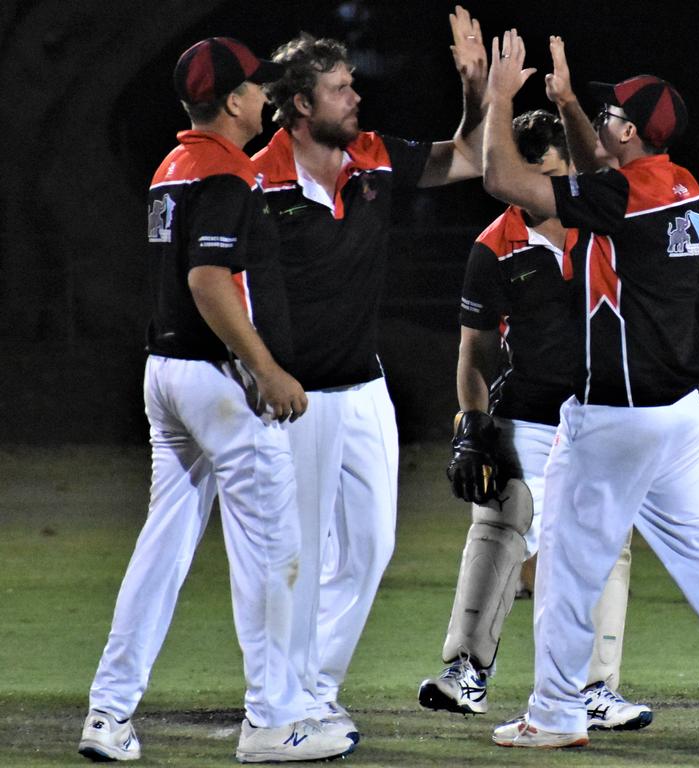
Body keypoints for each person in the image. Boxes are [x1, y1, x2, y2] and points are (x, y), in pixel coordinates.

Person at [481, 31, 699, 750]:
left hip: (617, 417)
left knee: (569, 568)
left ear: (630, 131)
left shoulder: (623, 196)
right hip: (678, 415)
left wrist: (500, 98)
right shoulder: (682, 183)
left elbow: (504, 184)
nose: (600, 123)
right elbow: (600, 170)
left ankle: (555, 713)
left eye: (610, 116)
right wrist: (570, 102)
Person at [78, 38, 356, 763]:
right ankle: (271, 722)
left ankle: (108, 714)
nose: (265, 95)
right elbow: (208, 280)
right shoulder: (227, 171)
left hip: (165, 375)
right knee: (272, 551)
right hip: (217, 381)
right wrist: (264, 367)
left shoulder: (173, 166)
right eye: (257, 87)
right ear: (232, 101)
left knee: (163, 549)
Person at [251, 7, 487, 740]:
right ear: (299, 105)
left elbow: (473, 156)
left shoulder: (376, 157)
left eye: (353, 85)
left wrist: (478, 89)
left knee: (371, 547)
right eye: (341, 89)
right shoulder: (256, 180)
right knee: (300, 556)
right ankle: (286, 701)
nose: (356, 98)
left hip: (364, 390)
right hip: (295, 399)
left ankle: (314, 688)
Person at [417, 109, 652, 732]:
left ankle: (595, 689)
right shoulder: (494, 246)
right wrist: (473, 424)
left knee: (608, 544)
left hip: (598, 413)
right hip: (527, 416)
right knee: (502, 518)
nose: (531, 189)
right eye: (522, 175)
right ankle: (467, 672)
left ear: (570, 167)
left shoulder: (604, 230)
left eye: (545, 171)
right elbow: (474, 352)